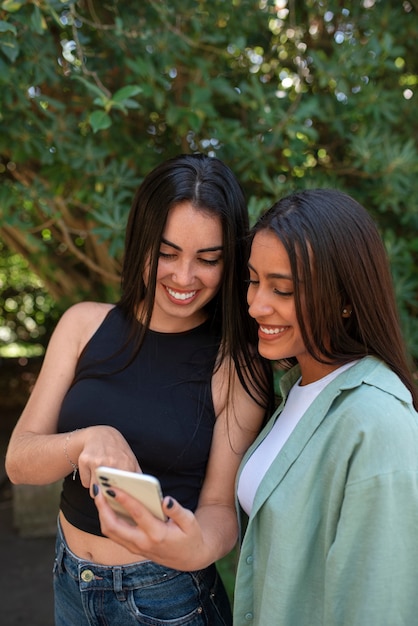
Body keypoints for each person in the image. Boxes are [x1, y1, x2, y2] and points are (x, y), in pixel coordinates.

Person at [5, 153, 274, 626]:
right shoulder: (83, 325)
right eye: (167, 253)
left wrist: (192, 547)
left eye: (207, 259)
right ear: (140, 241)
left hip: (166, 597)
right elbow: (19, 461)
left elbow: (219, 510)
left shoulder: (236, 363)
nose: (184, 277)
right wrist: (86, 440)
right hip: (70, 579)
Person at [232, 188, 418, 625]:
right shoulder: (298, 387)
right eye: (254, 280)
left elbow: (380, 606)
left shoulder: (378, 423)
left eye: (282, 289)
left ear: (347, 300)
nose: (257, 305)